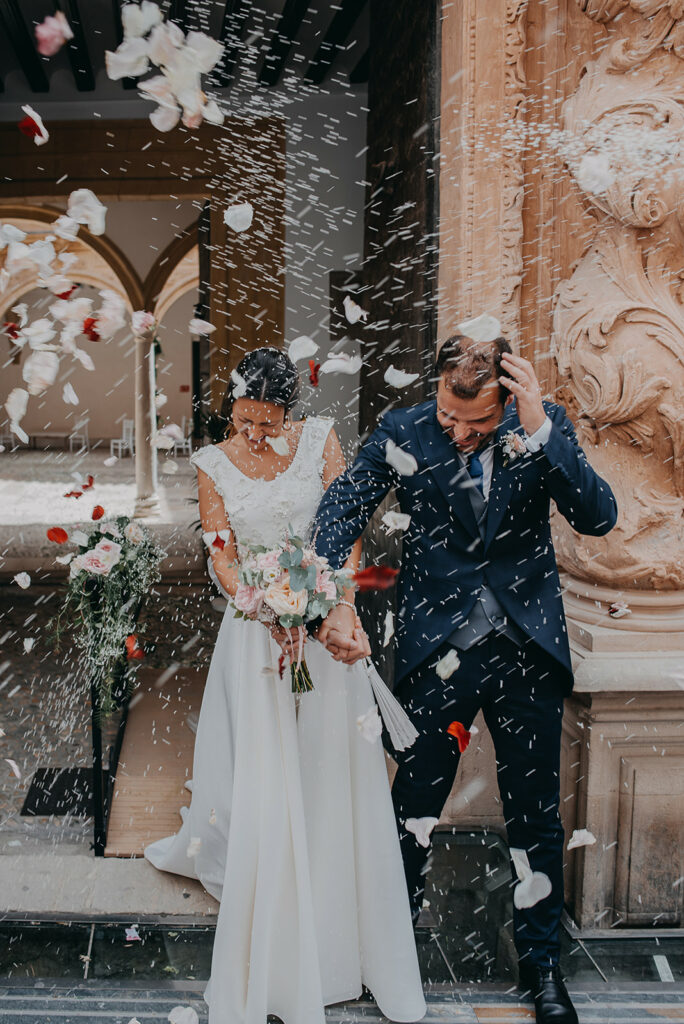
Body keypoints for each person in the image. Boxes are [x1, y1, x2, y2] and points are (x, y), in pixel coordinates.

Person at [313, 329, 618, 1024]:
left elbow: (599, 516)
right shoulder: (406, 429)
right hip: (437, 655)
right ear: (438, 393)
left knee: (535, 817)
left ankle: (542, 970)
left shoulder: (538, 428)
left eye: (477, 424)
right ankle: (387, 956)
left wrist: (540, 427)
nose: (458, 433)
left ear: (507, 397)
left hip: (525, 653)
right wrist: (328, 596)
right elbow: (340, 511)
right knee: (412, 812)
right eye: (450, 417)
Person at [144, 347, 426, 1024]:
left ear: (288, 413)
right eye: (241, 421)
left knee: (328, 769)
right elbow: (224, 557)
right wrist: (265, 607)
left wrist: (327, 602)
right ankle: (275, 898)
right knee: (269, 775)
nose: (251, 435)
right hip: (254, 637)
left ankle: (330, 902)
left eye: (264, 423)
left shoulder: (323, 442)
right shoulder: (213, 464)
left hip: (325, 628)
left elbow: (347, 532)